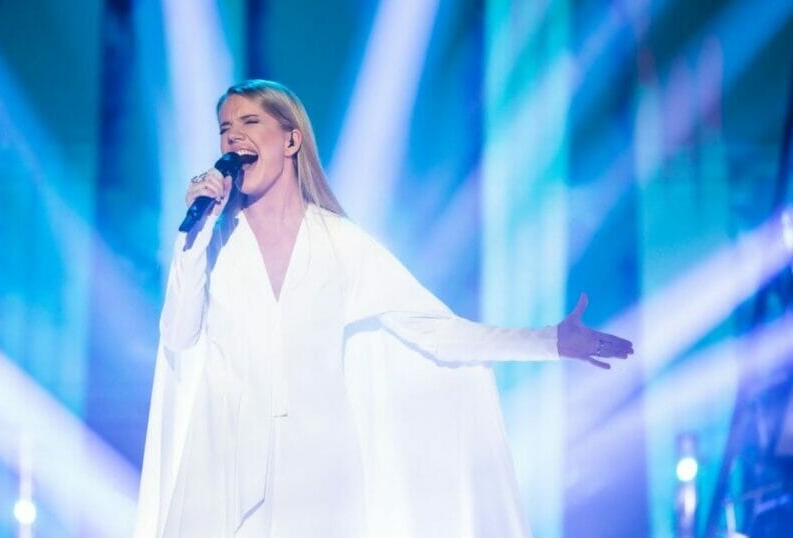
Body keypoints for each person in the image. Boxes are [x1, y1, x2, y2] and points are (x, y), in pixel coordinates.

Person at [135, 79, 633, 538]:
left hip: (318, 472)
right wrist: (193, 239)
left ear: (290, 141)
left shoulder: (340, 244)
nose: (233, 138)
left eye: (249, 123)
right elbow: (178, 336)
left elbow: (438, 331)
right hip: (224, 464)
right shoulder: (211, 241)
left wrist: (549, 341)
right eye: (225, 128)